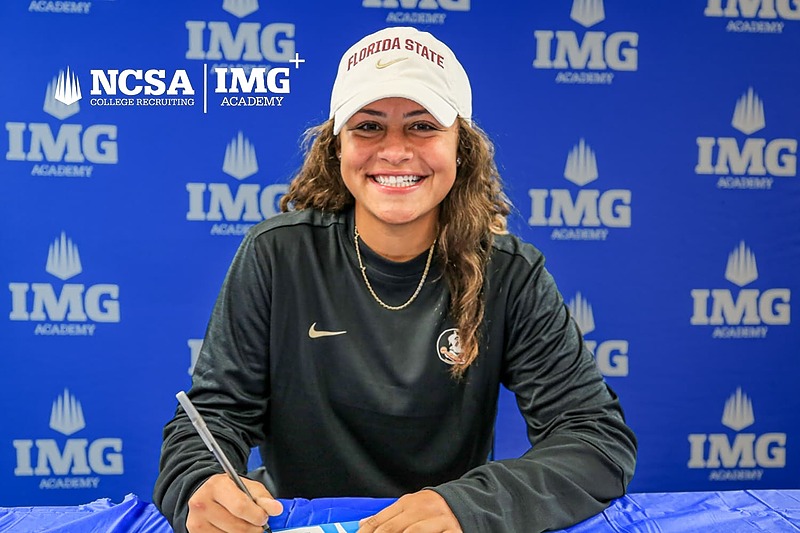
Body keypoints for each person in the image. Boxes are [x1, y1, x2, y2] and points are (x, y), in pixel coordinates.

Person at [154, 26, 637, 533]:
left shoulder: (510, 272)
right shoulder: (277, 254)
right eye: (368, 126)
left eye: (422, 126)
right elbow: (212, 417)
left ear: (461, 147)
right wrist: (199, 484)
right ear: (336, 147)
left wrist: (470, 507)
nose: (395, 151)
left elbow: (595, 439)